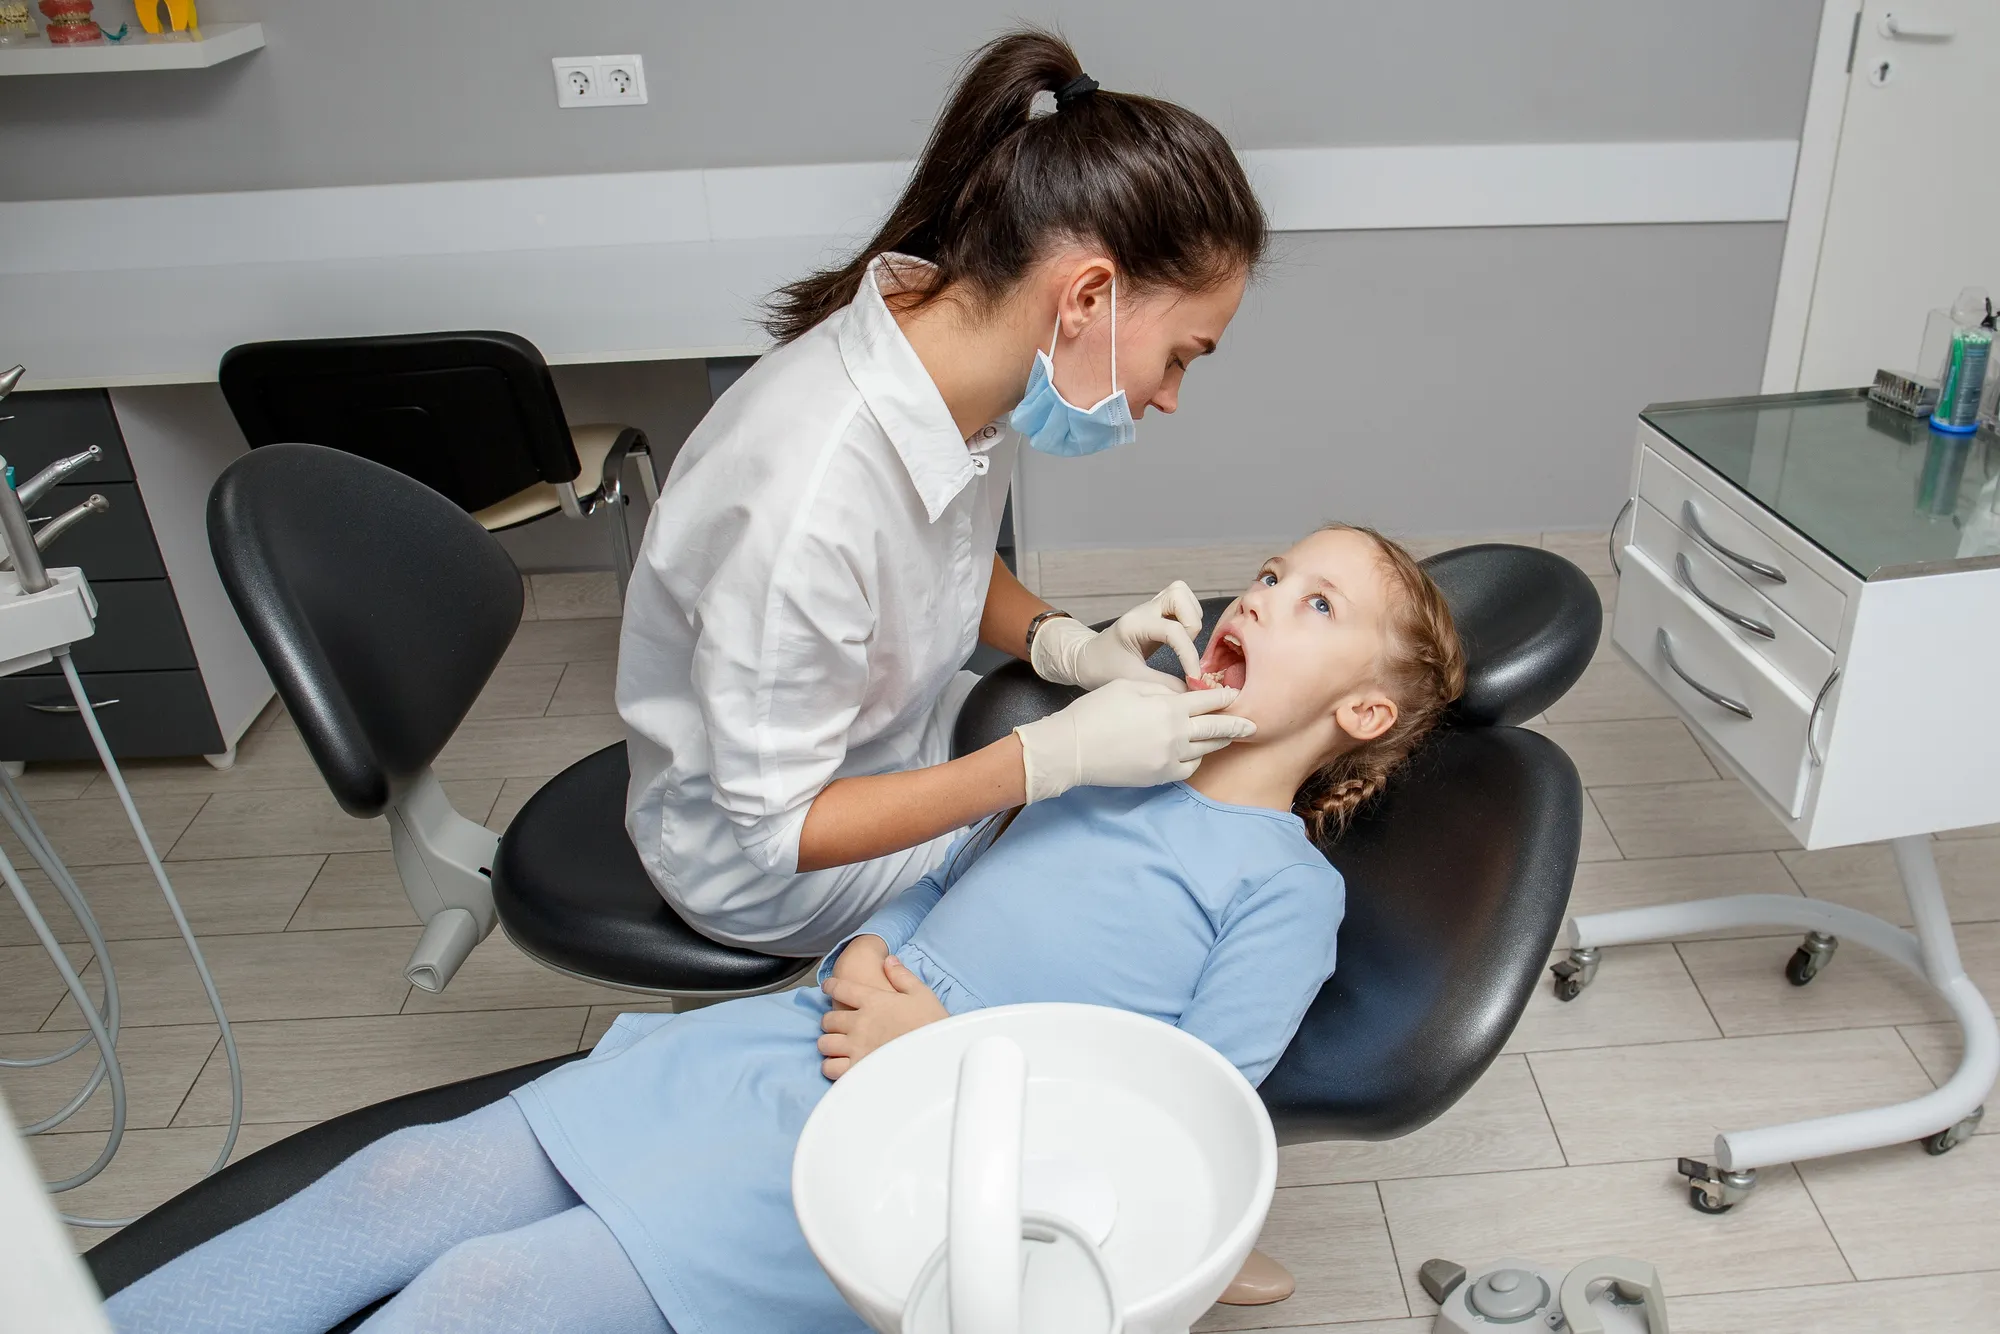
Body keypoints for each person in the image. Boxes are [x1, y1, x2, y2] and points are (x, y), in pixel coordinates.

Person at [106, 525, 1466, 1334]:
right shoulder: (1117, 754)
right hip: (796, 1043)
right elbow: (952, 887)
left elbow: (1187, 1131)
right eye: (1277, 570)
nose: (1264, 595)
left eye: (1318, 604)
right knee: (406, 1180)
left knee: (490, 1295)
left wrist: (942, 1050)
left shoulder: (1284, 892)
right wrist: (870, 953)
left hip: (921, 1151)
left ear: (1360, 715)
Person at [617, 28, 1268, 956]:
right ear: (1087, 297)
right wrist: (1053, 760)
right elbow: (782, 829)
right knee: (1102, 877)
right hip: (769, 865)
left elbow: (938, 561)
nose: (1167, 397)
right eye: (1178, 357)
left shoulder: (963, 357)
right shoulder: (810, 498)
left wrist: (1069, 645)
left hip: (892, 738)